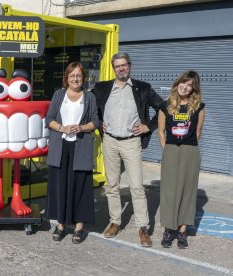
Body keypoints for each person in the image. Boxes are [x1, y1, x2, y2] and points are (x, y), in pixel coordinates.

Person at [93, 52, 163, 247]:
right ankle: (115, 222)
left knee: (136, 187)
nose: (121, 69)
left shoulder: (143, 88)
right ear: (113, 68)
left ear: (129, 66)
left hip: (132, 142)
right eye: (117, 66)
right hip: (110, 141)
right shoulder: (102, 88)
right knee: (112, 185)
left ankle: (143, 228)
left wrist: (149, 126)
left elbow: (164, 107)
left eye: (124, 65)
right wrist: (98, 123)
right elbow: (89, 105)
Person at [45, 62, 99, 244]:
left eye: (78, 76)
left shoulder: (89, 97)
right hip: (61, 147)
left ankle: (78, 227)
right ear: (66, 78)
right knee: (60, 186)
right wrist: (62, 128)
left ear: (83, 78)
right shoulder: (59, 95)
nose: (75, 79)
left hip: (80, 145)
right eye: (72, 76)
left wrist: (81, 127)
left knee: (80, 187)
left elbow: (95, 121)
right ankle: (60, 225)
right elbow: (49, 119)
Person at [158, 70, 205, 249]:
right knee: (169, 191)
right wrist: (167, 149)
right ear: (177, 83)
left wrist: (187, 147)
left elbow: (198, 132)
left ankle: (183, 230)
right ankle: (169, 229)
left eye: (189, 84)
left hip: (190, 151)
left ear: (194, 88)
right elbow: (161, 131)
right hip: (171, 150)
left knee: (188, 190)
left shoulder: (199, 107)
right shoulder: (166, 105)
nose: (184, 87)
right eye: (182, 83)